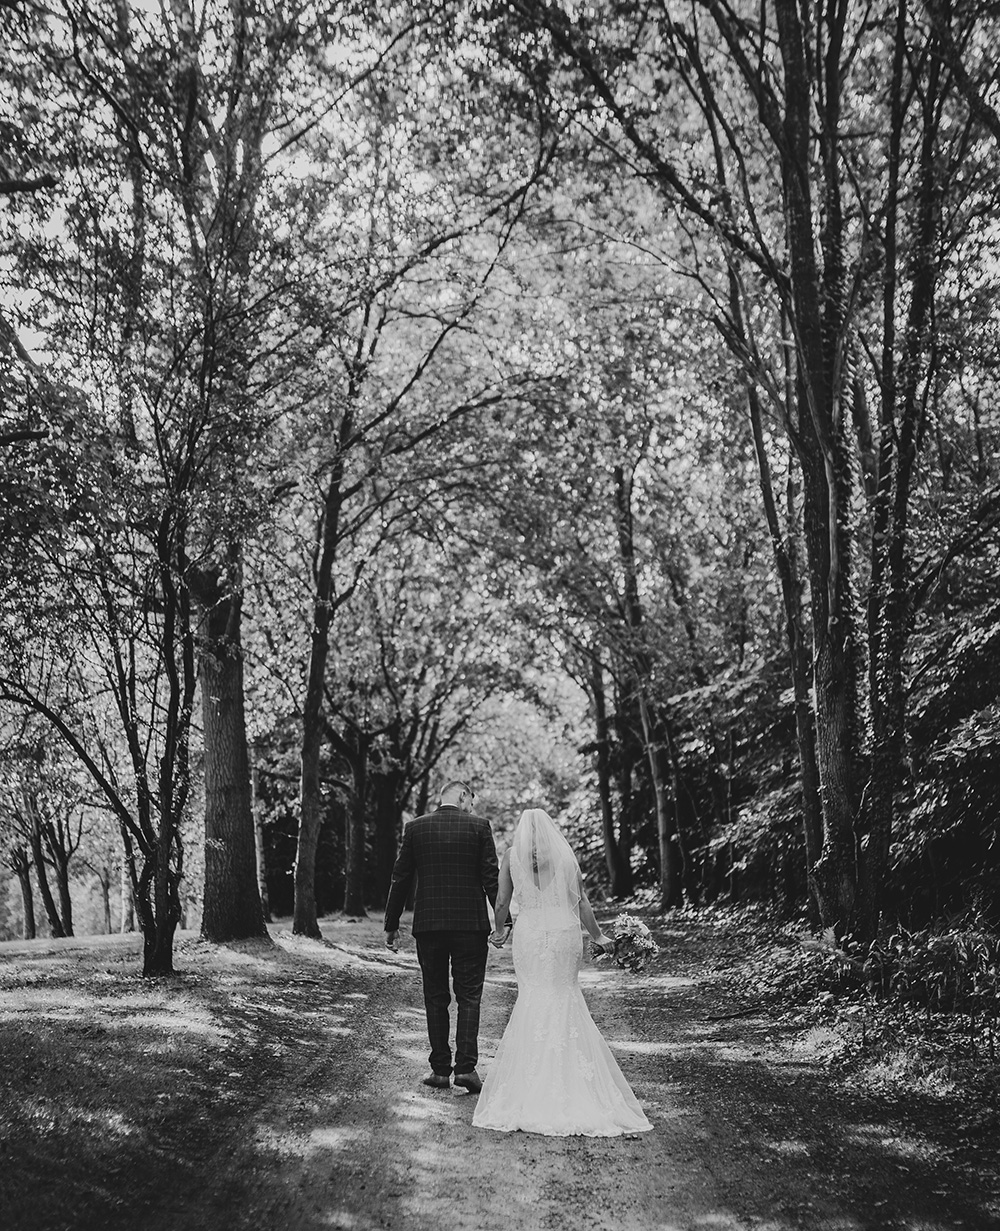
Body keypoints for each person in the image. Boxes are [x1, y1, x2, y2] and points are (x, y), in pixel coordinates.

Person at [472, 808, 653, 1136]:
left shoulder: (512, 857)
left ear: (523, 832)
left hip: (529, 934)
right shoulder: (565, 856)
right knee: (564, 996)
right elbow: (581, 901)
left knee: (532, 997)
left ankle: (528, 1087)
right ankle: (575, 1084)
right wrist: (598, 936)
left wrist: (499, 931)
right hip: (564, 934)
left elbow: (501, 901)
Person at [384, 779, 499, 1093]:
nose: (470, 808)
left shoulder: (416, 828)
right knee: (469, 997)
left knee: (435, 997)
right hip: (470, 926)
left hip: (430, 926)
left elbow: (401, 877)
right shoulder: (479, 827)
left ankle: (439, 1071)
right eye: (470, 802)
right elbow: (491, 876)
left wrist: (391, 924)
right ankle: (466, 1070)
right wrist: (503, 921)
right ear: (462, 796)